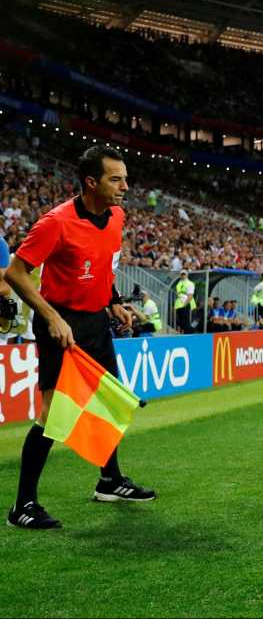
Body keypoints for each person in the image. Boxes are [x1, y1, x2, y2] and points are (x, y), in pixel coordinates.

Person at [5, 146, 155, 530]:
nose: (125, 186)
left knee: (107, 402)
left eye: (125, 177)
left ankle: (109, 481)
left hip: (95, 322)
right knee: (53, 414)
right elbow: (16, 273)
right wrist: (52, 317)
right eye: (116, 179)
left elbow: (104, 267)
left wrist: (114, 302)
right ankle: (23, 506)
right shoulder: (55, 222)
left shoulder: (117, 216)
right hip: (61, 323)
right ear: (92, 182)